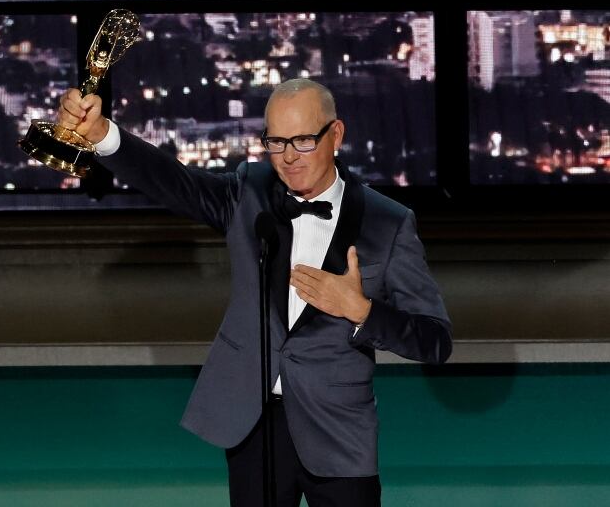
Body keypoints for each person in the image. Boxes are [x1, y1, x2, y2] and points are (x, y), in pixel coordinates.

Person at [57, 78, 452, 507]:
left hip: (340, 430)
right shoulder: (251, 190)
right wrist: (103, 136)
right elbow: (176, 182)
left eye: (302, 140)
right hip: (253, 420)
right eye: (275, 141)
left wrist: (360, 310)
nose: (287, 157)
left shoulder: (387, 222)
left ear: (336, 134)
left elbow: (435, 340)